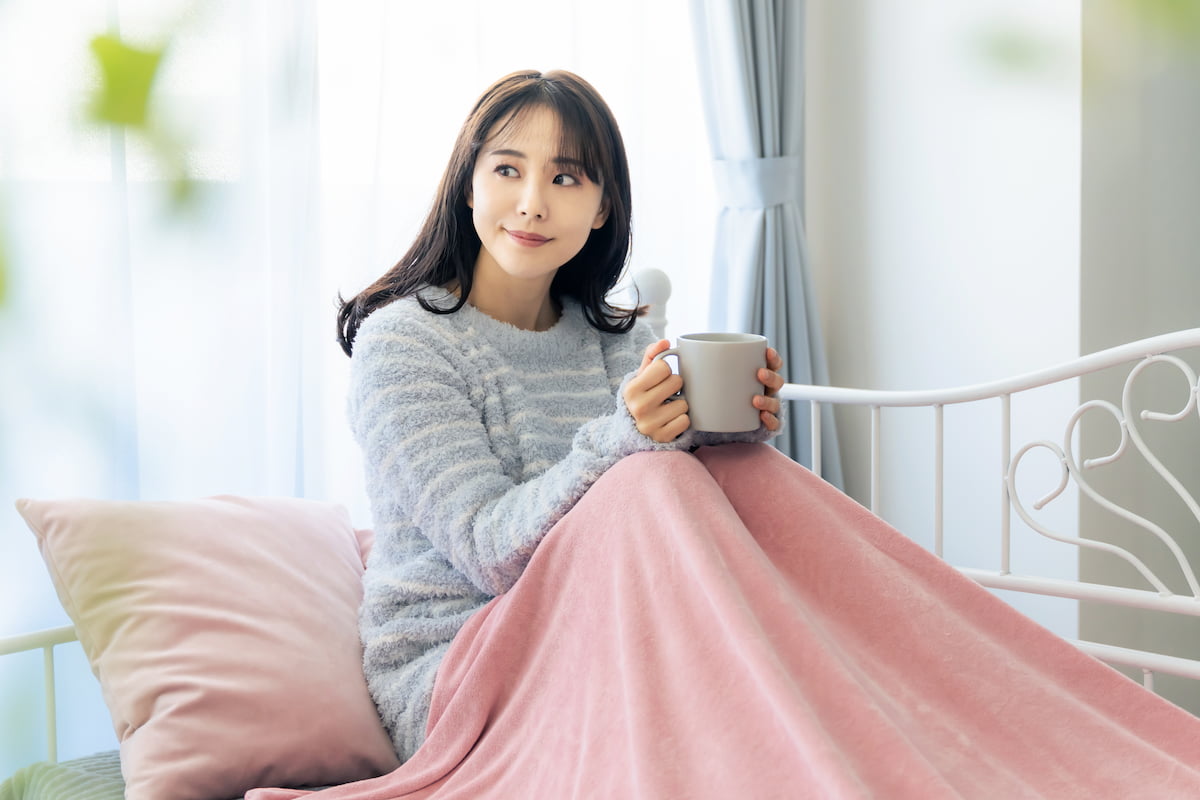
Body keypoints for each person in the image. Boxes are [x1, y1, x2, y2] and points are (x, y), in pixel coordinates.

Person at [334, 69, 785, 763]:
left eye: (566, 178)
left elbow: (656, 521)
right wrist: (628, 439)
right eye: (508, 170)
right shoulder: (404, 345)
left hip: (613, 629)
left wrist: (723, 425)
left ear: (603, 207)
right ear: (468, 186)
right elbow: (489, 551)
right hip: (459, 663)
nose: (532, 204)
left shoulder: (618, 341)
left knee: (755, 480)